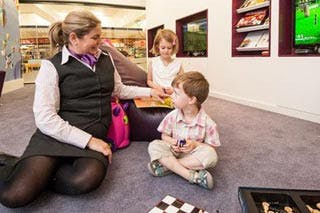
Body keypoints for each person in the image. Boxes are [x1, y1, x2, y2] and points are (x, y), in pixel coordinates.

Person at [0, 10, 165, 208]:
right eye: (95, 37)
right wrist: (90, 141)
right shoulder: (50, 67)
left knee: (85, 180)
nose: (100, 41)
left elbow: (118, 89)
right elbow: (45, 119)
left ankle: (34, 172)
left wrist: (150, 92)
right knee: (14, 195)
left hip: (94, 133)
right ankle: (11, 163)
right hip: (56, 135)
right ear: (73, 38)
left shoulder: (106, 58)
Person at [147, 71, 221, 190]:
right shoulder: (172, 116)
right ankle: (190, 175)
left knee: (211, 155)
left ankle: (167, 167)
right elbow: (164, 136)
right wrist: (172, 142)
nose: (172, 96)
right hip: (173, 151)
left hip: (192, 155)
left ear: (191, 100)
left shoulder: (209, 123)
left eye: (176, 94)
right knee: (154, 145)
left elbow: (211, 147)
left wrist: (195, 144)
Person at [147, 29, 184, 95]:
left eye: (169, 48)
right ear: (158, 46)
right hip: (157, 94)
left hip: (174, 95)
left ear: (173, 47)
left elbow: (182, 82)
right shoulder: (153, 62)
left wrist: (173, 89)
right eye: (163, 48)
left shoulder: (178, 64)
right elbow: (149, 81)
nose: (166, 51)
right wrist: (157, 87)